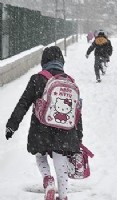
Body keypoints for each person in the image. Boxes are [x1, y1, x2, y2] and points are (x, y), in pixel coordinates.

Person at [5, 46, 83, 200]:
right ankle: (64, 195)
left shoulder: (37, 79)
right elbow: (77, 113)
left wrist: (12, 125)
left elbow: (23, 103)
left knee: (41, 156)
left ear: (44, 61)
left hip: (41, 129)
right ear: (61, 61)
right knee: (60, 158)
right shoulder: (69, 81)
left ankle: (48, 180)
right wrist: (78, 137)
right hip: (65, 131)